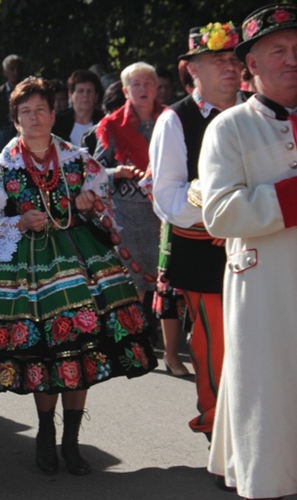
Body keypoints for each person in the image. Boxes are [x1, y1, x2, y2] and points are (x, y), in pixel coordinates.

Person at [0, 77, 157, 476]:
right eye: (25, 112)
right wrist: (17, 222)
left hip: (80, 261)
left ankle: (71, 442)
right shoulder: (0, 168)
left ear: (54, 114)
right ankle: (46, 434)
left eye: (41, 110)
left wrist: (89, 204)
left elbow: (103, 204)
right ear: (15, 120)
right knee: (45, 354)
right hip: (27, 272)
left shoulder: (77, 159)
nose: (34, 118)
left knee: (83, 349)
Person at [200, 5, 297, 498]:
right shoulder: (229, 127)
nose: (293, 60)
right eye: (278, 50)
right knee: (270, 391)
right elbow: (219, 212)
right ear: (251, 66)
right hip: (264, 286)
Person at [149, 21, 243, 452]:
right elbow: (166, 197)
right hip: (204, 250)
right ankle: (218, 430)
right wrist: (222, 218)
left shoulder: (259, 109)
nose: (230, 67)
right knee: (215, 345)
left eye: (234, 59)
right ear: (193, 70)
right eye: (219, 60)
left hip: (260, 244)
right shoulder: (175, 119)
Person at [94, 62, 164, 301]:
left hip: (166, 212)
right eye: (136, 84)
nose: (143, 89)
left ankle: (169, 339)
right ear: (125, 91)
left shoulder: (171, 119)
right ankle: (136, 335)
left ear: (157, 88)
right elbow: (93, 172)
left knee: (168, 285)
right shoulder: (111, 126)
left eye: (148, 83)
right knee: (135, 288)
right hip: (129, 217)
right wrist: (117, 172)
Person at [52, 70, 104, 146]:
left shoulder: (104, 122)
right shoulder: (56, 124)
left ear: (96, 96)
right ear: (70, 95)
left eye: (89, 91)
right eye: (80, 91)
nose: (85, 95)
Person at [0, 54, 25, 127]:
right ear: (4, 71)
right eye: (12, 69)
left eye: (18, 69)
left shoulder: (30, 91)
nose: (15, 72)